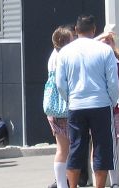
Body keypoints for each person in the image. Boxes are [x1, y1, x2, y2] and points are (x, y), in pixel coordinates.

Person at [56, 14, 119, 188]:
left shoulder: (65, 52)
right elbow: (113, 82)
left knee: (76, 149)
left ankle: (73, 186)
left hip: (76, 104)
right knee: (101, 149)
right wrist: (113, 102)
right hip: (101, 104)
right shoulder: (105, 50)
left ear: (76, 30)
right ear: (94, 30)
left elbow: (60, 84)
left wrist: (69, 99)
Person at [96, 32, 119, 188]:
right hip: (98, 107)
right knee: (96, 147)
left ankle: (114, 183)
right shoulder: (94, 61)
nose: (107, 43)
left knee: (113, 146)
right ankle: (98, 183)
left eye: (109, 41)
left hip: (114, 109)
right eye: (103, 41)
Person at [46, 26, 74, 188]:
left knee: (61, 148)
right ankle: (64, 183)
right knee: (67, 149)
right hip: (65, 106)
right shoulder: (65, 57)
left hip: (53, 107)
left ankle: (61, 182)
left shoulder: (53, 56)